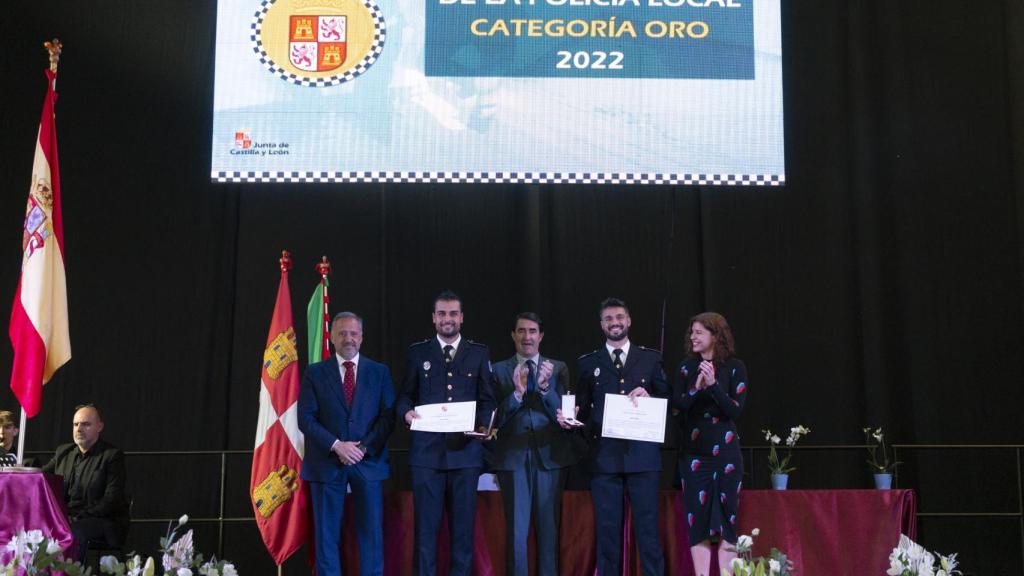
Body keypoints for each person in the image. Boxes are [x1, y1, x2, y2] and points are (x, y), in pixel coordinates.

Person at [396, 290, 496, 576]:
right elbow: (405, 395)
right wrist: (406, 412)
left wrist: (482, 426)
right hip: (427, 457)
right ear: (433, 318)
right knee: (426, 535)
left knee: (463, 535)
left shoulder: (478, 353)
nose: (447, 319)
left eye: (453, 313)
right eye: (442, 313)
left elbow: (488, 400)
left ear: (462, 318)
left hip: (465, 456)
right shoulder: (418, 352)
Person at [568, 298, 668, 576]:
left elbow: (668, 400)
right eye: (609, 318)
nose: (615, 323)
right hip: (604, 460)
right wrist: (572, 420)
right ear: (602, 324)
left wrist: (651, 397)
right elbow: (582, 410)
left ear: (629, 320)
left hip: (643, 459)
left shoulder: (650, 358)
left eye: (620, 317)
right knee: (607, 535)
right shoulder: (588, 363)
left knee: (648, 534)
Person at [298, 311, 396, 576]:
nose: (348, 339)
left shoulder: (380, 372)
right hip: (327, 463)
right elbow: (305, 419)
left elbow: (388, 418)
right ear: (331, 337)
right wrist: (337, 445)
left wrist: (362, 448)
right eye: (342, 333)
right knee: (326, 537)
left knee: (372, 535)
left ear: (362, 338)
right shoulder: (315, 373)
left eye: (353, 333)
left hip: (368, 463)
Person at [489, 312, 577, 576]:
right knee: (516, 533)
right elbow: (493, 420)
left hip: (550, 457)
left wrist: (545, 389)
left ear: (541, 336)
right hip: (512, 458)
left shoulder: (558, 368)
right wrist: (516, 394)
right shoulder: (498, 370)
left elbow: (565, 416)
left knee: (549, 531)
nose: (527, 337)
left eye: (532, 331)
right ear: (513, 335)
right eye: (522, 331)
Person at [673, 312, 748, 576]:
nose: (693, 337)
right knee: (698, 522)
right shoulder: (685, 367)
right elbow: (678, 408)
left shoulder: (735, 367)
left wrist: (714, 384)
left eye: (699, 332)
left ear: (715, 336)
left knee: (728, 521)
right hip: (694, 456)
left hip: (726, 455)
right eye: (691, 332)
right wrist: (696, 387)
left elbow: (734, 410)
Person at [42, 404, 130, 560]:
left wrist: (79, 516)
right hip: (68, 519)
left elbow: (111, 500)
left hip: (102, 522)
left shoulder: (112, 456)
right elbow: (41, 476)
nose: (79, 429)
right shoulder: (63, 452)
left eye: (85, 424)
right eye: (76, 424)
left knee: (73, 531)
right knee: (37, 529)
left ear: (99, 427)